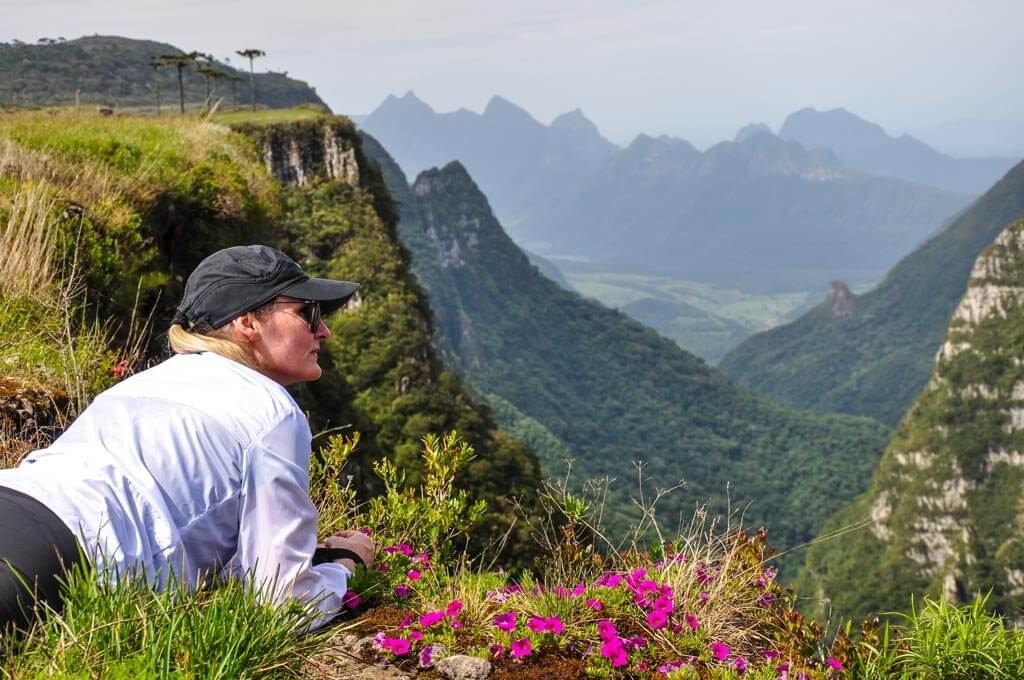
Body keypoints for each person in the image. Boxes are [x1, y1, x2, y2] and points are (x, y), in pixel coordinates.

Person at [0, 245, 374, 631]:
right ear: (248, 323)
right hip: (63, 556)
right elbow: (282, 605)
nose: (324, 331)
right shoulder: (271, 412)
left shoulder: (143, 384)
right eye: (308, 313)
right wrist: (345, 567)